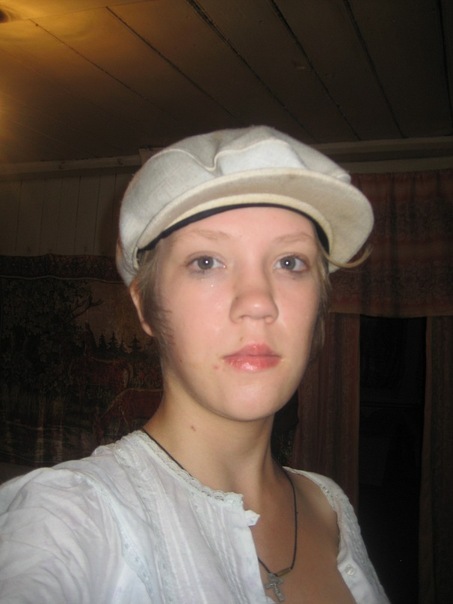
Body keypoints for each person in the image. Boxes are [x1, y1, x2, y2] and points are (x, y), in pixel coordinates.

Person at [0, 126, 389, 603]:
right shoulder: (71, 514)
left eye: (290, 262)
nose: (258, 302)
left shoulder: (329, 504)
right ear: (145, 305)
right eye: (206, 262)